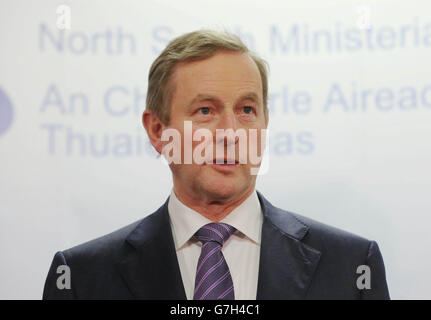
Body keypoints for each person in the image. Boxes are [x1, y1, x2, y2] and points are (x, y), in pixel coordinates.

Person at [43, 30, 390, 300]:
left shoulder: (352, 266)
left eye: (247, 110)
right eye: (205, 111)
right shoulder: (81, 277)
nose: (230, 132)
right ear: (157, 130)